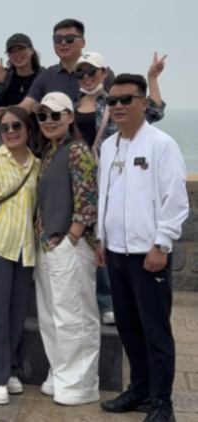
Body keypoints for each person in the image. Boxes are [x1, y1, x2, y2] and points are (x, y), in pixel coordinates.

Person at [96, 74, 189, 422]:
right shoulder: (109, 147)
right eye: (112, 101)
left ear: (144, 103)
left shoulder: (161, 144)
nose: (117, 107)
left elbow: (176, 201)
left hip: (149, 255)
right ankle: (140, 389)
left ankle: (162, 402)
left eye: (126, 100)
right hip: (116, 253)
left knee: (155, 330)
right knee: (128, 327)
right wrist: (101, 240)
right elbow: (107, 196)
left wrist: (161, 244)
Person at [73, 52, 167, 326]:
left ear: (104, 72)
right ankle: (86, 300)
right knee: (88, 239)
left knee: (102, 237)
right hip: (80, 182)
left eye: (92, 70)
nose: (87, 76)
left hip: (111, 175)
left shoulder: (113, 100)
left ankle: (106, 302)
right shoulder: (72, 102)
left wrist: (151, 78)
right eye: (81, 72)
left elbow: (155, 112)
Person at [33, 92, 100, 406]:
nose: (49, 121)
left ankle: (80, 386)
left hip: (68, 246)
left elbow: (88, 200)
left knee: (75, 317)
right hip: (48, 247)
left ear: (70, 117)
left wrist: (71, 237)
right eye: (43, 116)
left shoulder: (77, 150)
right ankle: (60, 376)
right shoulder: (50, 151)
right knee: (51, 317)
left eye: (55, 115)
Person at [0, 106, 40, 405]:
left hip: (26, 249)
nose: (11, 131)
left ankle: (11, 369)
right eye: (4, 128)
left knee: (16, 315)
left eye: (16, 126)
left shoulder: (38, 165)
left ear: (28, 128)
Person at [17, 19, 116, 112]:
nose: (63, 43)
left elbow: (120, 104)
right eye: (58, 39)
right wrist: (6, 114)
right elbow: (25, 108)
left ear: (83, 42)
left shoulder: (100, 72)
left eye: (69, 38)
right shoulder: (46, 76)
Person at [0, 33, 45, 114]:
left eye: (21, 49)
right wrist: (0, 83)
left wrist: (11, 111)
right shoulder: (4, 75)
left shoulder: (44, 76)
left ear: (31, 50)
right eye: (12, 51)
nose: (17, 54)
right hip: (10, 125)